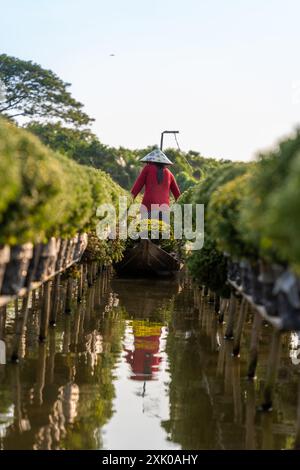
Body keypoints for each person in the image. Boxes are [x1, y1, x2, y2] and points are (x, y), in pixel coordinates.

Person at [130, 149, 181, 220]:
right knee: (162, 230)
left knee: (146, 230)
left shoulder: (147, 168)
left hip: (148, 208)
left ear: (150, 161)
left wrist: (128, 202)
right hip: (164, 210)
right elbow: (178, 196)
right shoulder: (169, 173)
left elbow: (136, 188)